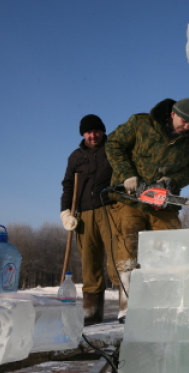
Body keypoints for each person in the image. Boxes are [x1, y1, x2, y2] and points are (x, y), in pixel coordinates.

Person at [106, 98, 189, 323]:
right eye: (184, 121)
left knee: (170, 248)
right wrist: (127, 174)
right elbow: (113, 144)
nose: (186, 126)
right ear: (172, 114)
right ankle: (127, 307)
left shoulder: (187, 141)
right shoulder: (142, 124)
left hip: (162, 204)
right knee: (129, 245)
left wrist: (173, 181)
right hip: (131, 199)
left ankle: (166, 305)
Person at [60, 114, 119, 326]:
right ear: (83, 134)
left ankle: (126, 309)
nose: (92, 135)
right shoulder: (76, 156)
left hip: (110, 208)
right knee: (89, 263)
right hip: (84, 214)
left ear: (103, 131)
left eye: (96, 131)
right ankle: (92, 313)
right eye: (88, 132)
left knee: (117, 259)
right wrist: (65, 211)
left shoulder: (114, 148)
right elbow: (68, 185)